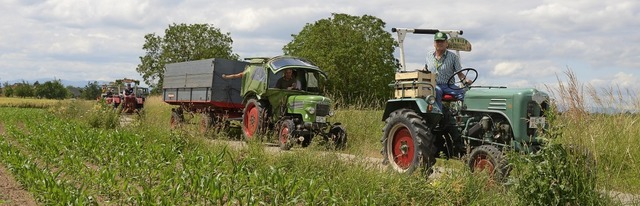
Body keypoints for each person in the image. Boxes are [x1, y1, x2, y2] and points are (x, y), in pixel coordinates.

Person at [426, 32, 473, 110]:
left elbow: (460, 74)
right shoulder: (429, 56)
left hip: (449, 85)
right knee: (437, 91)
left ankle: (465, 114)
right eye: (438, 41)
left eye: (442, 41)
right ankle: (438, 117)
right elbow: (425, 70)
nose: (440, 43)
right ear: (434, 43)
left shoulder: (453, 57)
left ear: (446, 43)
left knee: (464, 94)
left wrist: (466, 80)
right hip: (434, 85)